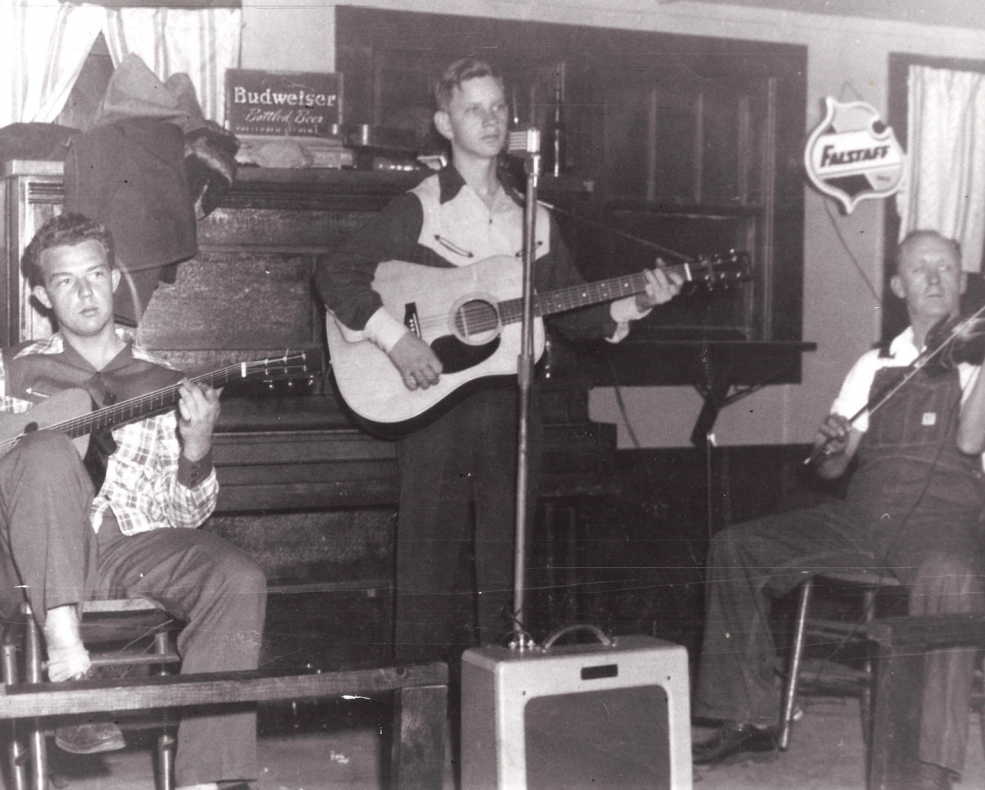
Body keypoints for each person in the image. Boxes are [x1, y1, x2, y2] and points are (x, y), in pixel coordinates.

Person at [315, 57, 682, 674]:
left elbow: (574, 314)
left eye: (498, 107)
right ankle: (419, 734)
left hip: (514, 405)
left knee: (507, 569)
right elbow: (336, 272)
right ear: (444, 123)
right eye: (472, 108)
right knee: (426, 571)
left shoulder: (533, 215)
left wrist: (640, 298)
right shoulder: (421, 206)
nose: (489, 119)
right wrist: (396, 341)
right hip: (433, 405)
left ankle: (498, 720)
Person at [692, 229, 985, 790]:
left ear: (962, 283)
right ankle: (750, 714)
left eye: (946, 268)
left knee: (953, 578)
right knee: (738, 547)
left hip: (941, 521)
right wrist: (828, 447)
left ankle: (933, 764)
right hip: (862, 517)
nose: (933, 279)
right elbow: (832, 468)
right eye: (920, 269)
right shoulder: (873, 364)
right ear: (898, 286)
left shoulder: (977, 363)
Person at [0, 212, 266, 790]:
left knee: (237, 575)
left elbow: (190, 518)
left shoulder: (164, 380)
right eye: (65, 281)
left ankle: (206, 780)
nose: (84, 291)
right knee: (46, 451)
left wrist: (197, 447)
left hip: (129, 550)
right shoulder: (11, 371)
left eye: (94, 274)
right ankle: (70, 670)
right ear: (43, 295)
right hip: (26, 557)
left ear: (116, 278)